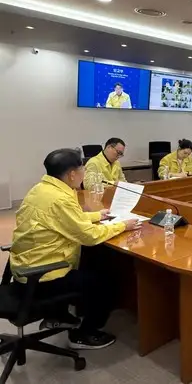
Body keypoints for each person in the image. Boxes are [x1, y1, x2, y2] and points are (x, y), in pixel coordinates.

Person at [10, 149, 139, 349]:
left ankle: (59, 314)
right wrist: (123, 225)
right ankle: (84, 334)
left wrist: (98, 216)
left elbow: (65, 219)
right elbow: (89, 236)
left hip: (24, 268)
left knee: (91, 265)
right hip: (41, 275)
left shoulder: (41, 189)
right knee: (105, 284)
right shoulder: (60, 199)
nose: (84, 173)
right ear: (72, 174)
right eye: (82, 169)